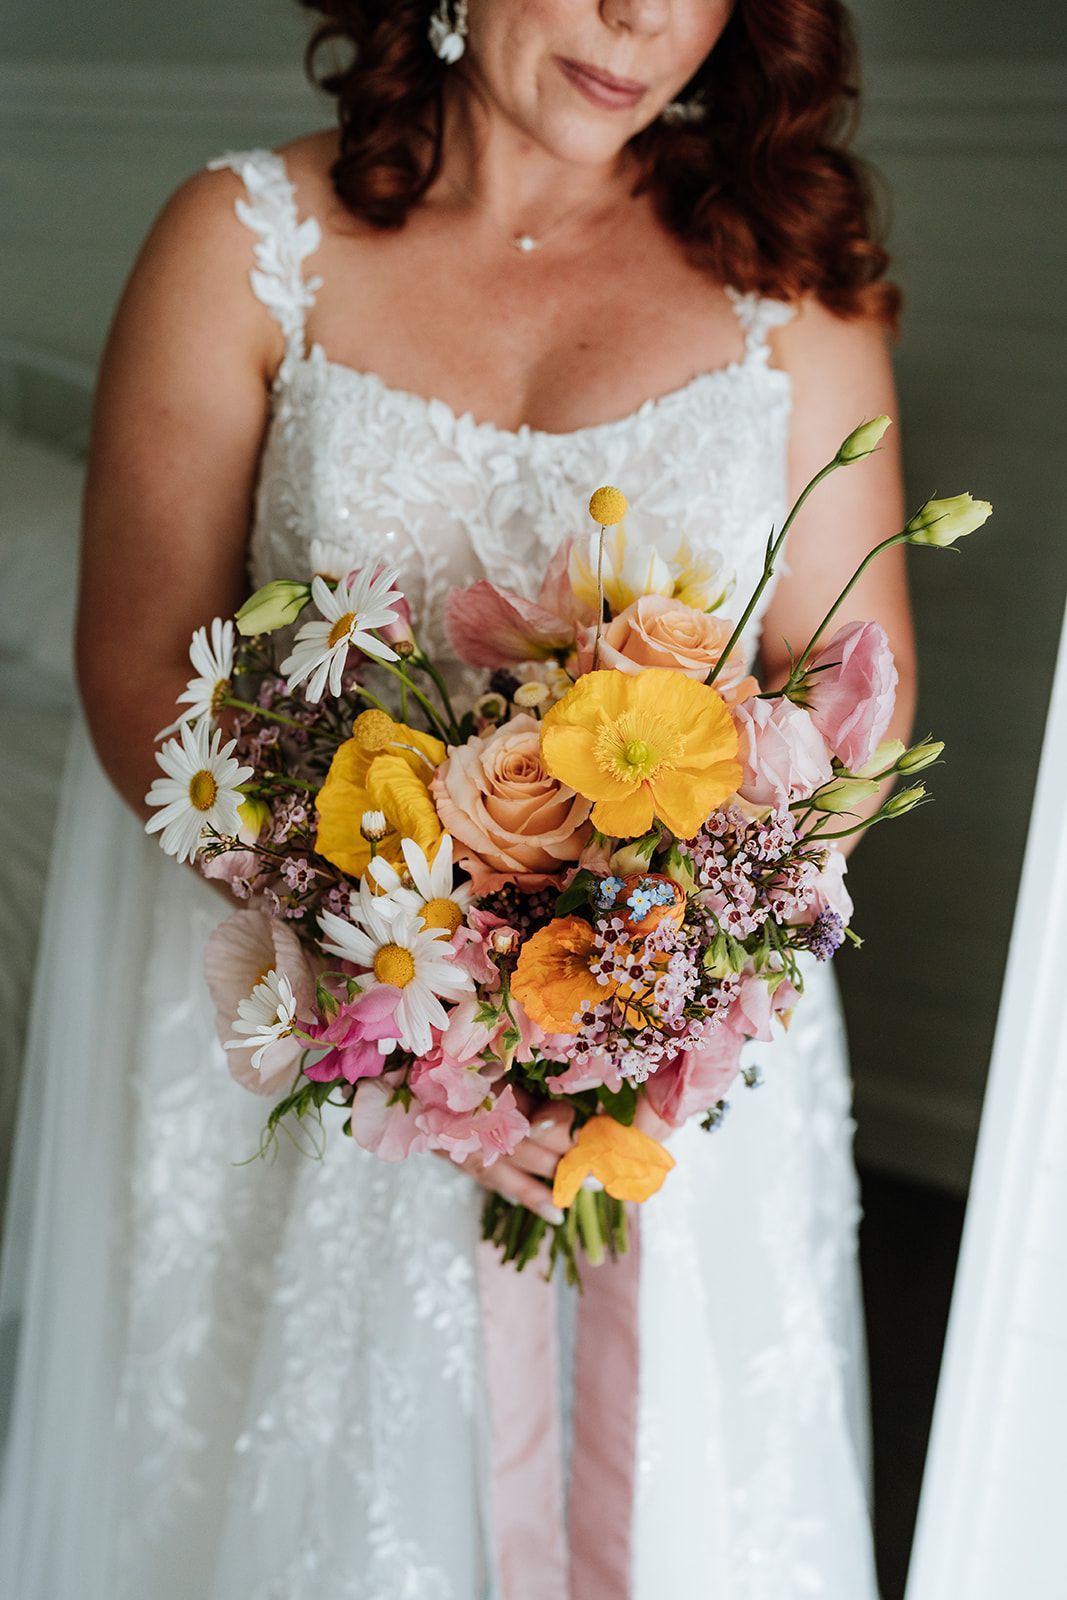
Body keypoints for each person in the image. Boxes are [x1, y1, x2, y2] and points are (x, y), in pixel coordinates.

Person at [0, 1, 916, 1595]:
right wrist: (417, 983)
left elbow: (856, 720)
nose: (642, 16)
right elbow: (145, 668)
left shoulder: (795, 293)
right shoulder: (244, 246)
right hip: (323, 1031)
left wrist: (634, 996)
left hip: (657, 1080)